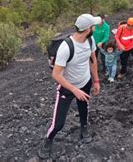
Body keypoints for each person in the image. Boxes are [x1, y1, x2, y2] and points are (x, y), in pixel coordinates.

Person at [39, 14, 101, 159]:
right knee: (58, 122)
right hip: (67, 88)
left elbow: (93, 61)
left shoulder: (90, 40)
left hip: (85, 83)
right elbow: (56, 74)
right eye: (93, 26)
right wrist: (74, 89)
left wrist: (96, 80)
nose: (95, 28)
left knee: (84, 109)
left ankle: (83, 128)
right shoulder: (66, 48)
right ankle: (48, 140)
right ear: (87, 29)